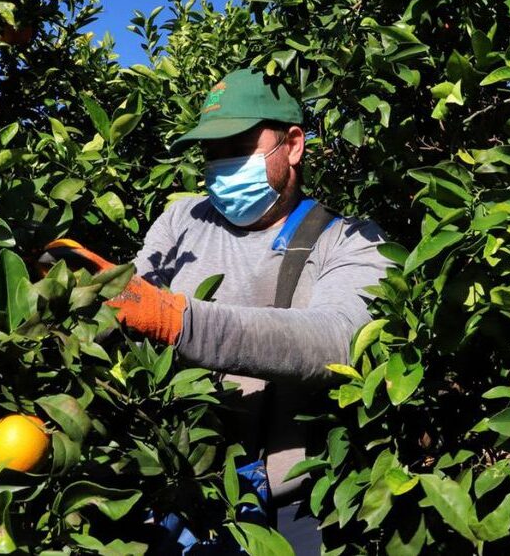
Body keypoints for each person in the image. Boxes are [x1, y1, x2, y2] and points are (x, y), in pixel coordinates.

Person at [42, 68, 389, 553]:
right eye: (211, 151)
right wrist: (72, 297)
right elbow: (130, 299)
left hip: (289, 504)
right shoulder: (183, 219)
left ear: (292, 144)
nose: (221, 164)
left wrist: (176, 319)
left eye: (239, 146)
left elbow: (338, 339)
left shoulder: (349, 240)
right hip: (175, 484)